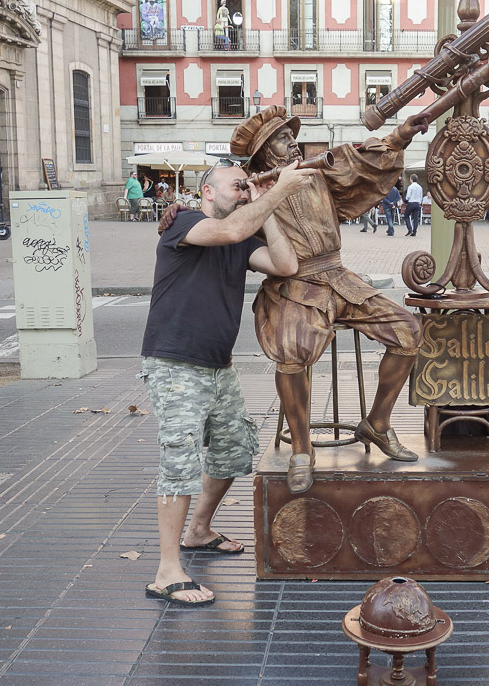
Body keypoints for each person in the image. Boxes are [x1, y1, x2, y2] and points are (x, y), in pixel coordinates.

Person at [142, 158, 314, 607]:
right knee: (180, 462)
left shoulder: (241, 233)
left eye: (245, 187)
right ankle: (166, 570)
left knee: (234, 448)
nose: (242, 192)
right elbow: (231, 231)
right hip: (175, 362)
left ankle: (197, 530)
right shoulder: (186, 223)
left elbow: (285, 263)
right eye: (235, 186)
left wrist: (267, 207)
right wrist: (278, 191)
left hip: (218, 366)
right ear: (206, 192)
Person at [232, 106, 430, 493]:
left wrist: (402, 134)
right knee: (291, 353)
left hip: (339, 277)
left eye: (292, 138)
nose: (293, 145)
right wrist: (179, 212)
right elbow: (214, 213)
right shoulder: (251, 192)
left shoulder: (316, 172)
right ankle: (302, 450)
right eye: (282, 140)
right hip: (294, 286)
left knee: (408, 331)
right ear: (263, 155)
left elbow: (360, 159)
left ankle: (378, 423)